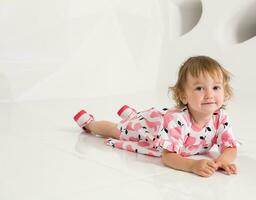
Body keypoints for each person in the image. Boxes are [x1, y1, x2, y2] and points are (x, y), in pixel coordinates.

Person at [73, 55, 238, 177]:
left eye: (216, 88)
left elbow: (229, 146)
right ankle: (92, 124)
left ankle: (131, 114)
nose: (209, 94)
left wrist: (222, 160)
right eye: (200, 88)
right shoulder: (178, 121)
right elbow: (168, 157)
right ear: (183, 96)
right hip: (151, 130)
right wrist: (192, 165)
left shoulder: (220, 117)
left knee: (138, 119)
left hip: (159, 121)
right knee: (120, 130)